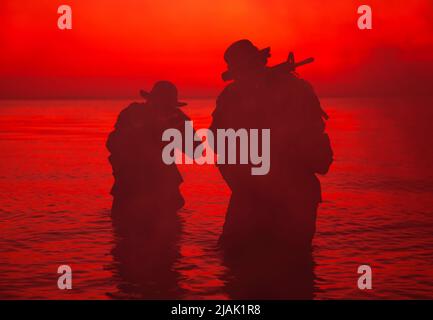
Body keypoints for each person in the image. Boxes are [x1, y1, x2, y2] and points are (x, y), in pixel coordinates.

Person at [210, 39, 333, 299]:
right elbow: (219, 144)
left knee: (289, 272)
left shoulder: (290, 91)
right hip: (258, 198)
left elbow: (318, 152)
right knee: (252, 272)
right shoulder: (236, 97)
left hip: (285, 197)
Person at [106, 81, 192, 298]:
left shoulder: (170, 118)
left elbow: (194, 150)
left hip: (146, 189)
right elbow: (114, 144)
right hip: (137, 188)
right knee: (137, 248)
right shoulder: (135, 115)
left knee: (154, 247)